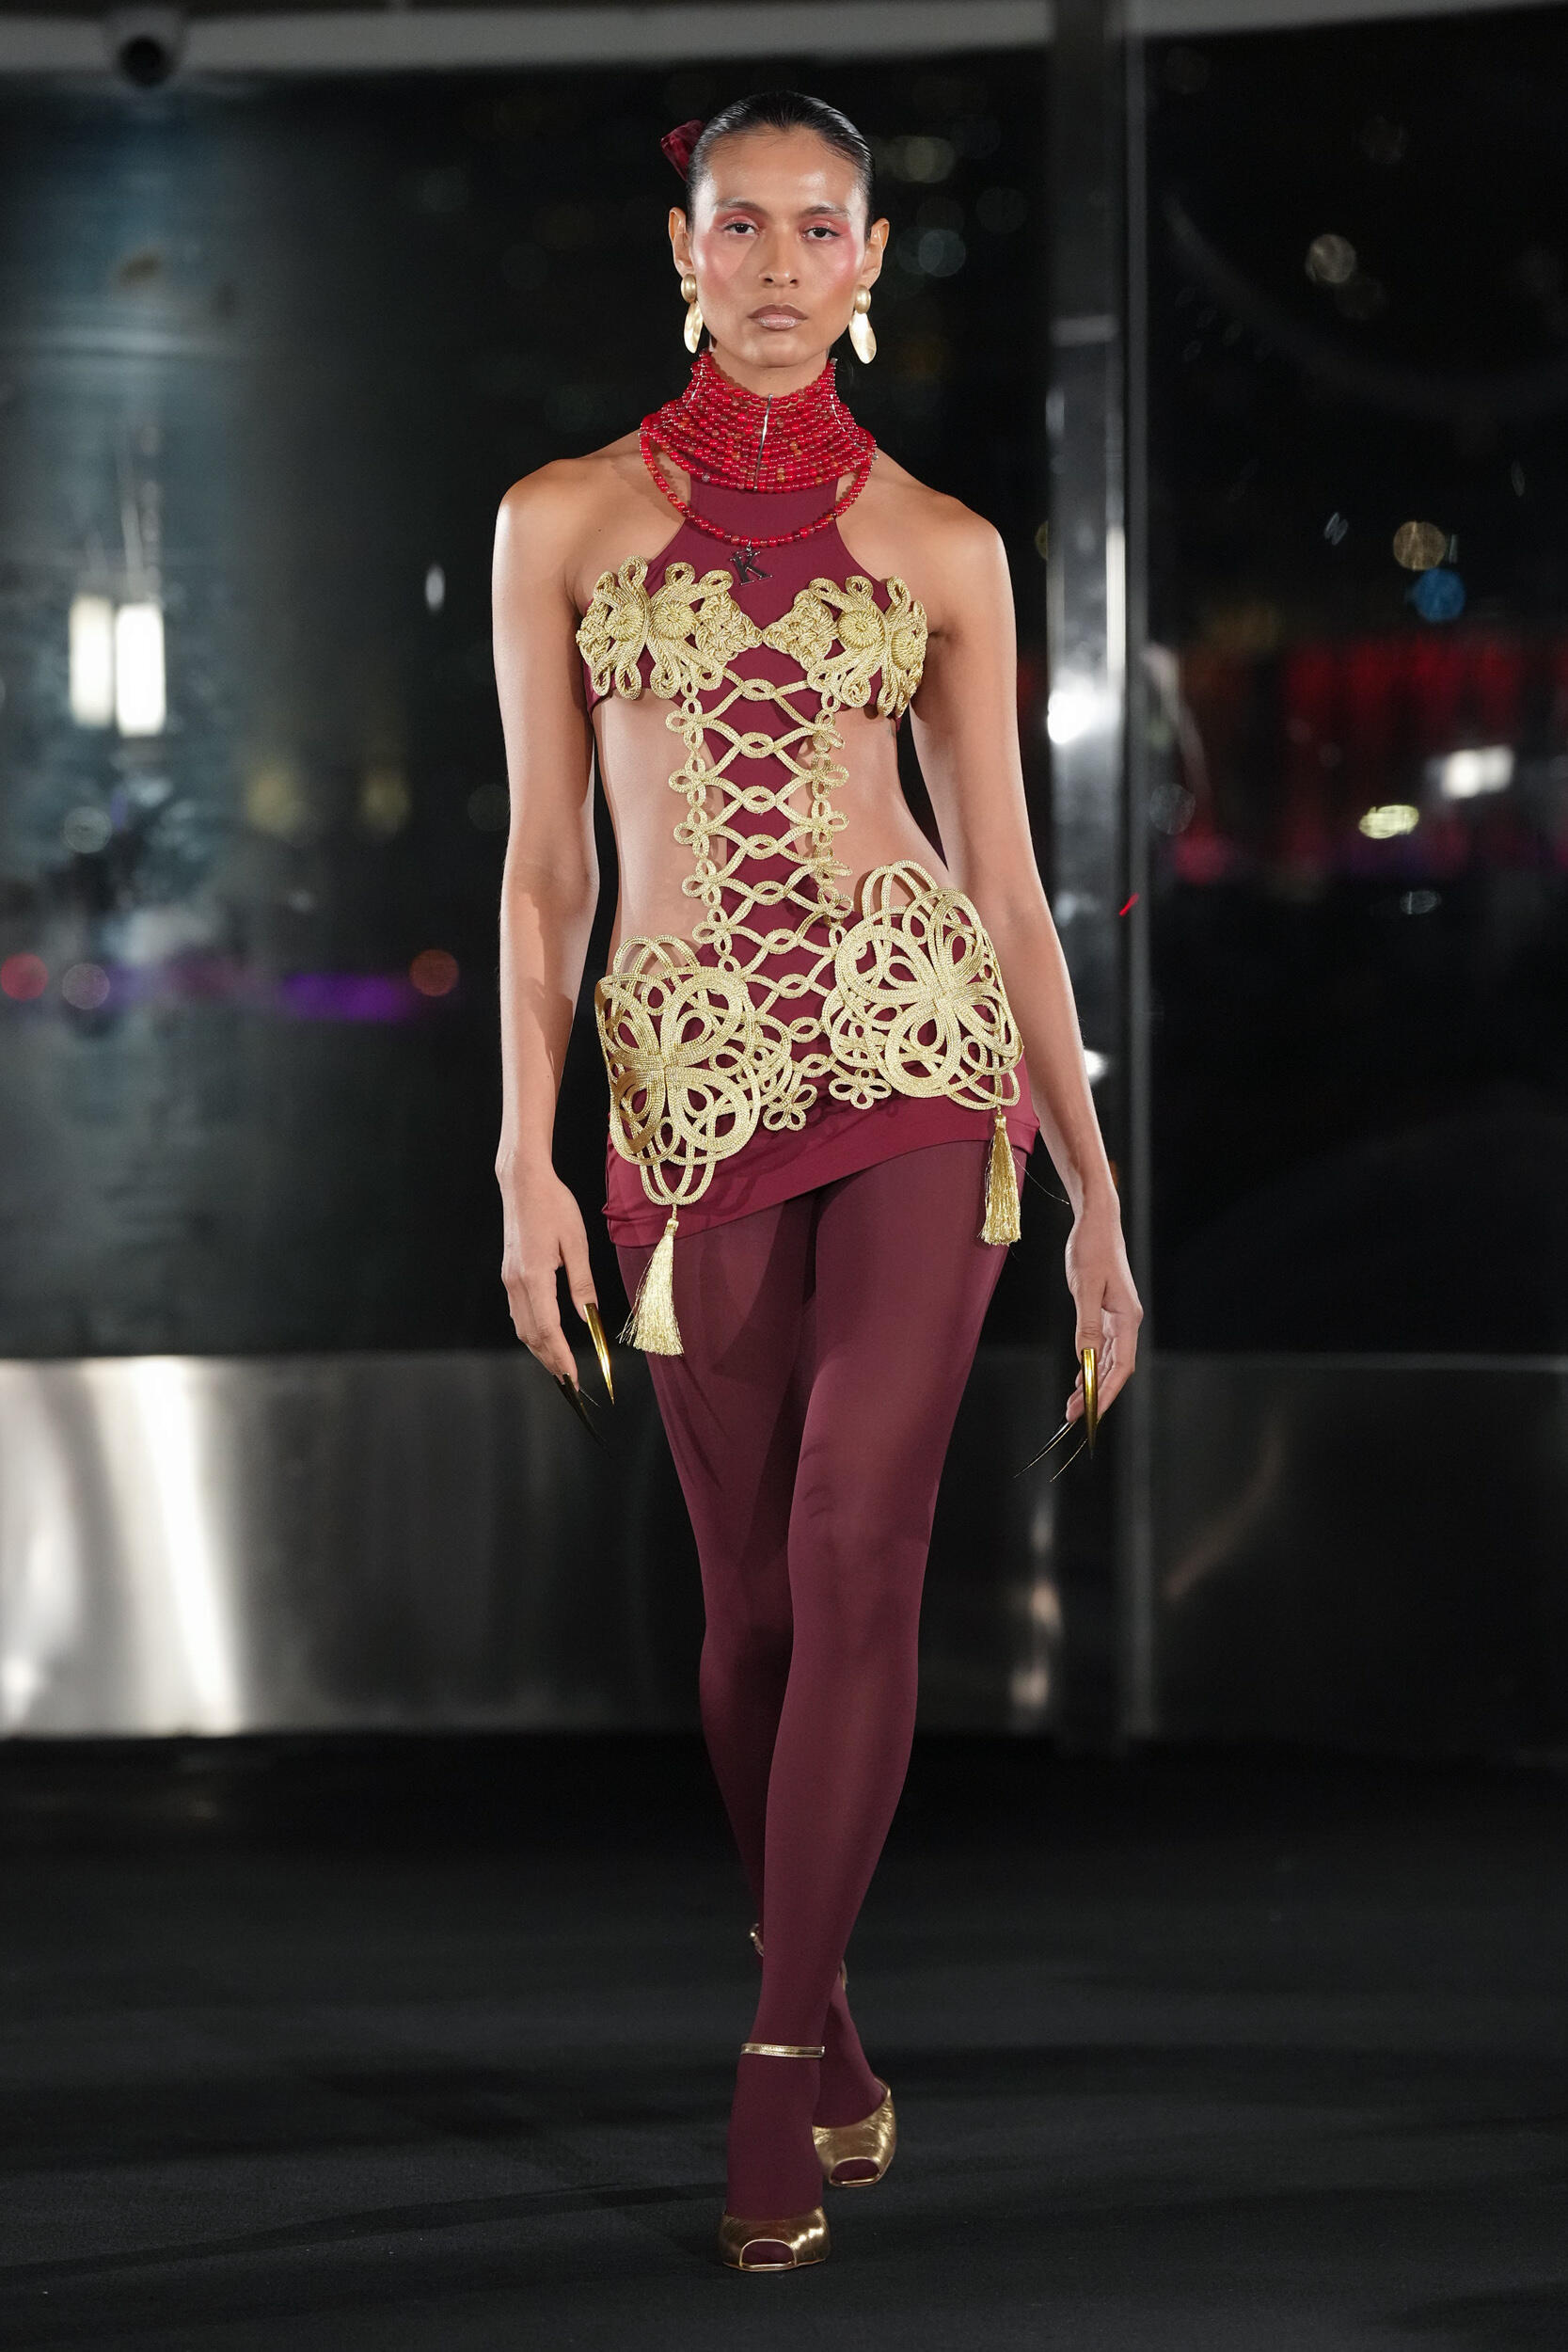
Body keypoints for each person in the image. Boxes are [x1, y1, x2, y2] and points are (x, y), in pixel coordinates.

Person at [491, 89, 1142, 2272]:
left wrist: (1095, 1189)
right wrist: (524, 1155)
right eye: (744, 225)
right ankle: (830, 2004)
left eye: (823, 229)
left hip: (919, 1059)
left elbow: (1009, 884)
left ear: (870, 268)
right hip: (685, 1091)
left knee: (862, 1540)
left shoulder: (945, 545)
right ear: (685, 254)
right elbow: (548, 871)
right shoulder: (564, 518)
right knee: (753, 1607)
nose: (782, 264)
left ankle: (773, 2066)